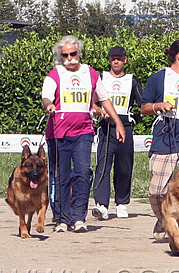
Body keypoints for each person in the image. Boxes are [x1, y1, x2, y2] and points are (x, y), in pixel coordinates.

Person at [42, 35, 126, 233]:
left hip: (83, 132)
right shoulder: (55, 74)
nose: (70, 58)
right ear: (60, 57)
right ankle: (62, 219)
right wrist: (49, 106)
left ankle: (79, 217)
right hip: (58, 133)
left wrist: (118, 122)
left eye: (73, 53)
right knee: (61, 176)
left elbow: (104, 100)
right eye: (65, 55)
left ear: (79, 52)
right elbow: (46, 97)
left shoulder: (91, 73)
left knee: (81, 173)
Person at [140, 39, 179, 239]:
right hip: (164, 139)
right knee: (157, 192)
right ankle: (165, 220)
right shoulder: (158, 79)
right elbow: (144, 108)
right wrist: (158, 106)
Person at [91, 46, 144, 220]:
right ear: (109, 60)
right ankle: (101, 205)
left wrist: (135, 119)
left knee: (124, 166)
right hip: (106, 127)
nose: (116, 61)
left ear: (125, 60)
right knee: (103, 165)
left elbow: (142, 105)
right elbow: (92, 103)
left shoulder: (132, 80)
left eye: (119, 58)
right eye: (113, 58)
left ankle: (121, 203)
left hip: (125, 127)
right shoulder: (101, 78)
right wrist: (100, 112)